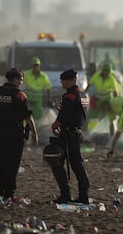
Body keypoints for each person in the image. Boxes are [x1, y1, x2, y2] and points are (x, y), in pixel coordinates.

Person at [0, 68, 38, 201]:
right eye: (21, 79)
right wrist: (34, 133)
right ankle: (9, 193)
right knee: (12, 164)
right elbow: (28, 117)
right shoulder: (20, 95)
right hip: (15, 135)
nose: (22, 82)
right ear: (15, 79)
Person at [50, 69, 89, 204]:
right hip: (77, 133)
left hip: (68, 135)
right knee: (78, 165)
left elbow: (63, 118)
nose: (62, 82)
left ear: (71, 80)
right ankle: (84, 195)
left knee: (55, 162)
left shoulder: (70, 96)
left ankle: (65, 194)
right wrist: (61, 109)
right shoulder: (83, 94)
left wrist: (53, 127)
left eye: (63, 80)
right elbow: (76, 113)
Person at [85, 63, 120, 131]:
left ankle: (110, 134)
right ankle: (91, 133)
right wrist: (85, 93)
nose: (107, 75)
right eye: (106, 73)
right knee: (93, 117)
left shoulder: (111, 79)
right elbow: (90, 84)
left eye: (109, 73)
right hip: (97, 98)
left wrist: (115, 101)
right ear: (103, 71)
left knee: (110, 118)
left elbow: (115, 92)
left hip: (107, 99)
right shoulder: (96, 76)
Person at [23, 56, 52, 122]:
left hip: (37, 101)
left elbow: (48, 88)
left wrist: (49, 100)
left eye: (37, 65)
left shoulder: (43, 76)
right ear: (31, 66)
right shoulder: (26, 74)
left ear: (39, 66)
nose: (36, 67)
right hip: (28, 100)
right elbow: (19, 83)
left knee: (37, 118)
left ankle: (35, 131)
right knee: (25, 117)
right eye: (34, 65)